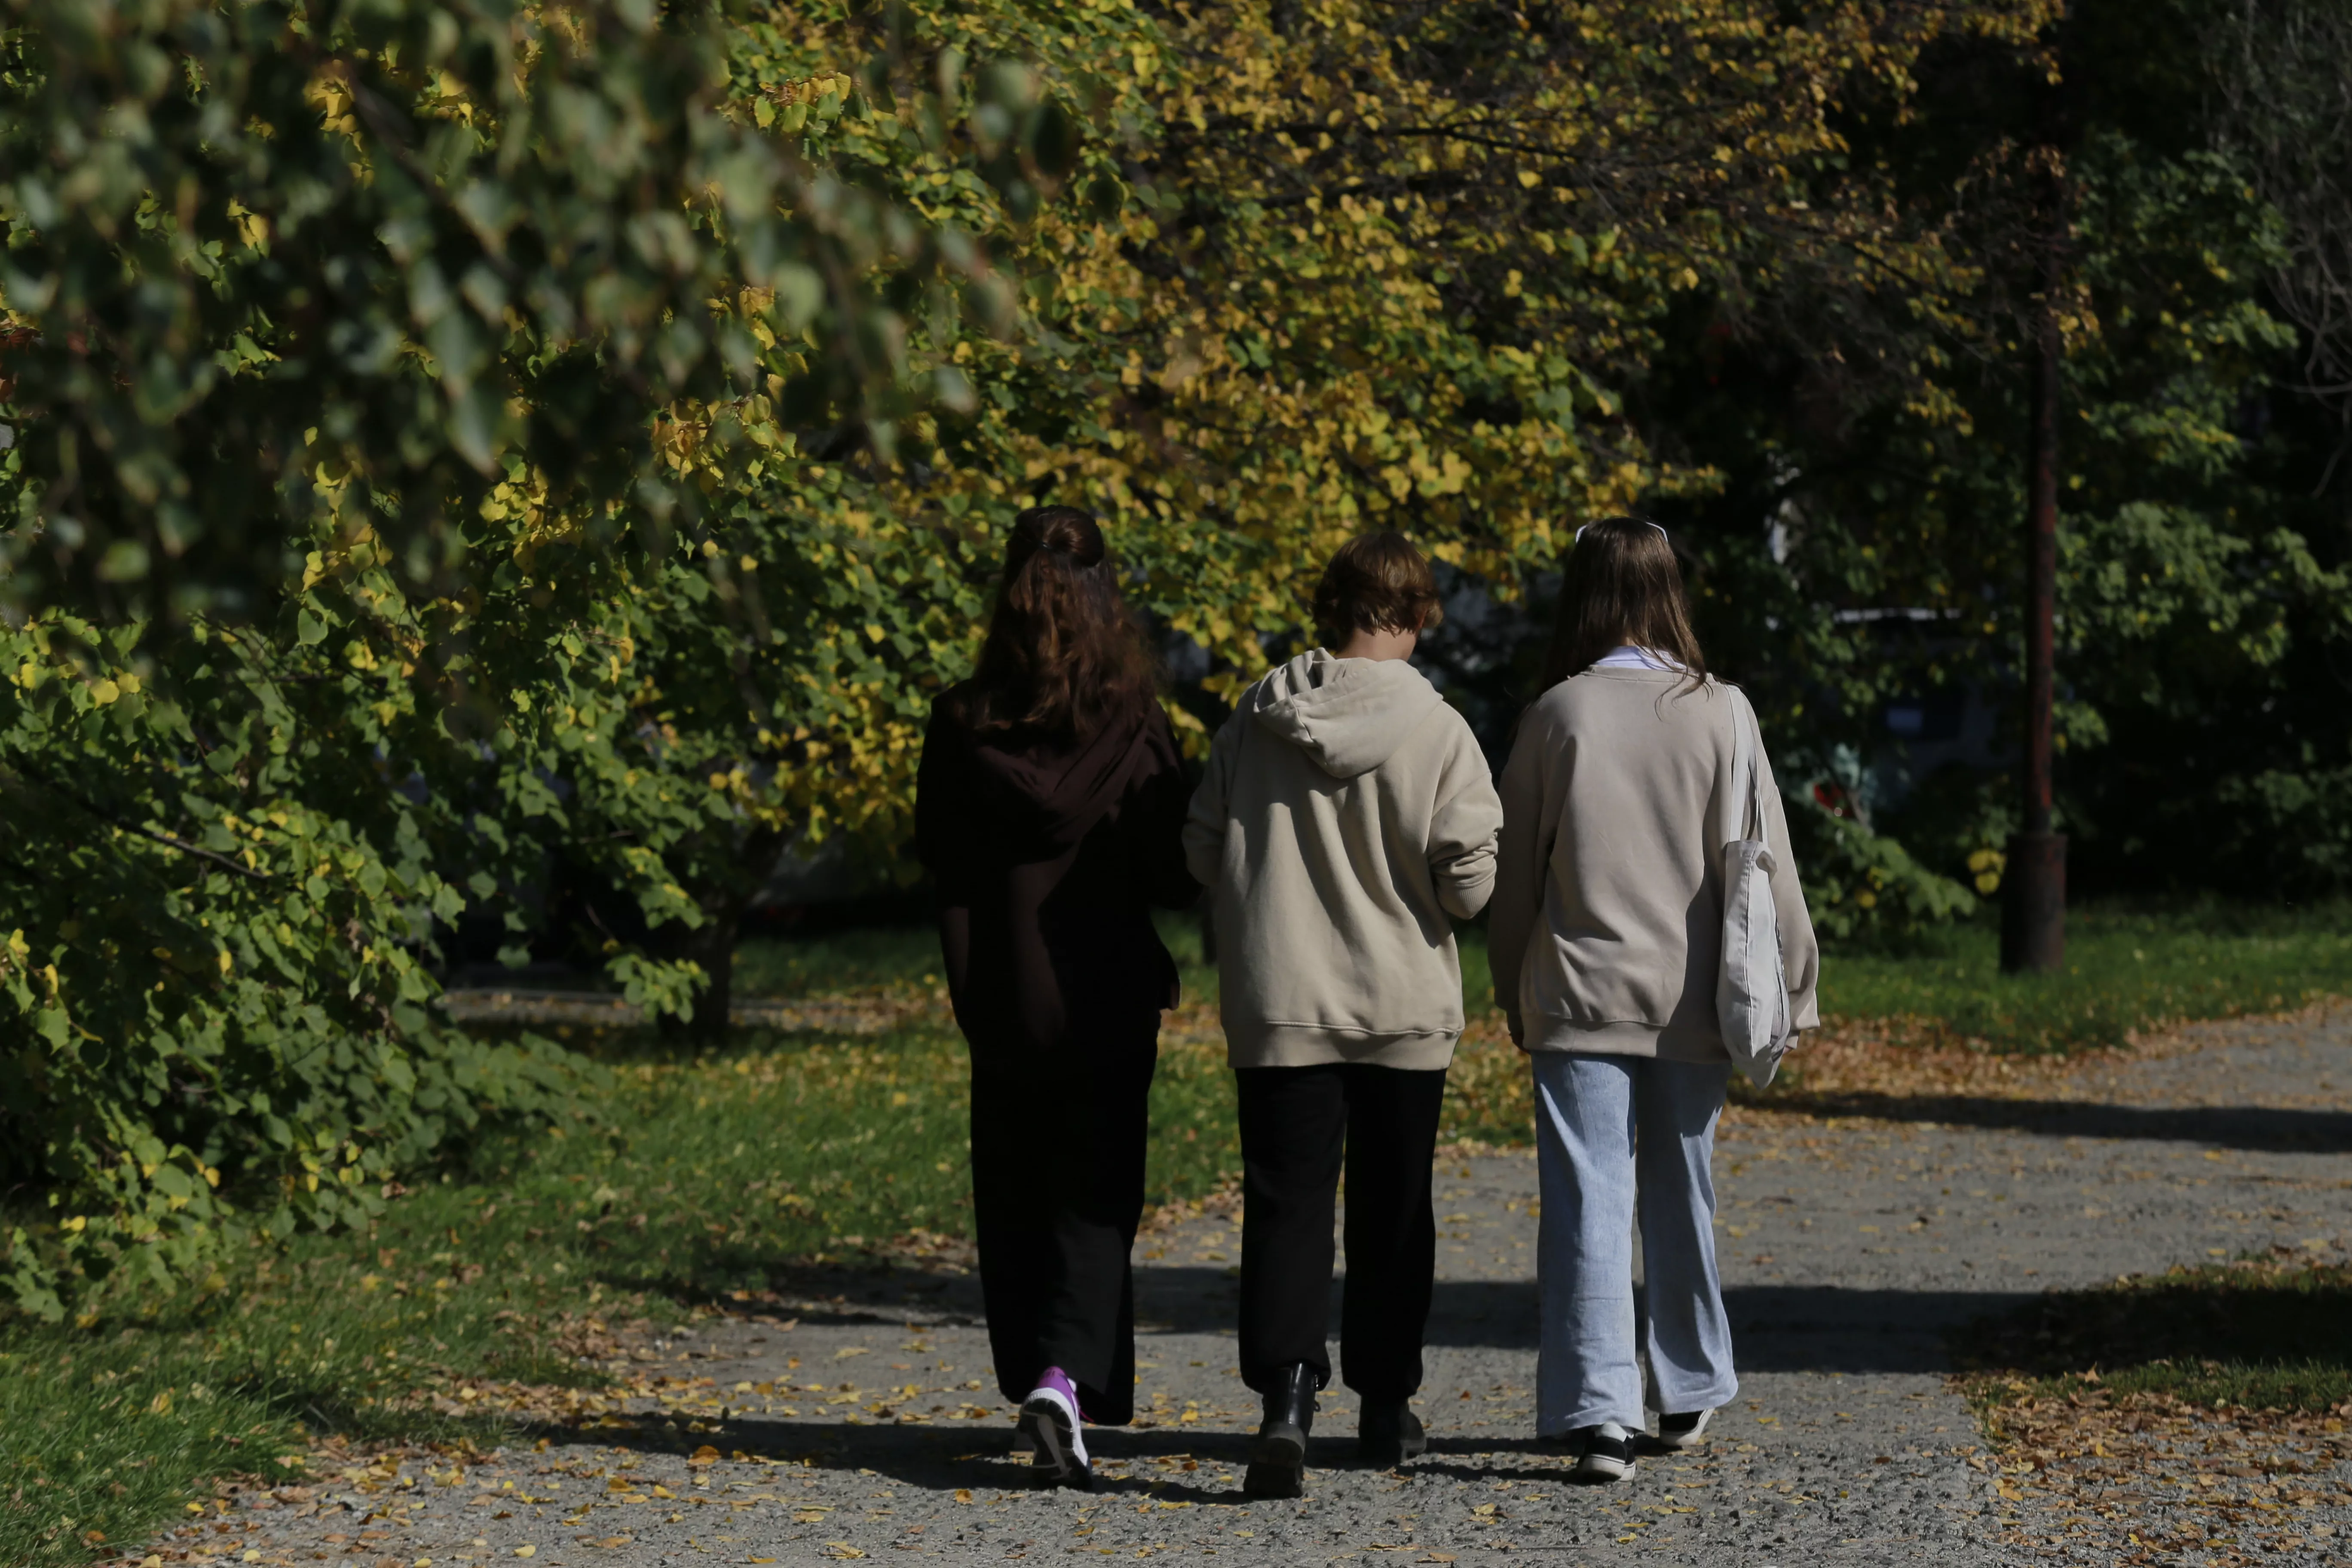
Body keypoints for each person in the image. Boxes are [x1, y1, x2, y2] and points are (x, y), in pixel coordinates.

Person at [1486, 517, 1820, 1484]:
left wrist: (1513, 988)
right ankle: (1687, 1384)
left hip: (1579, 992)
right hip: (1693, 998)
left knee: (1588, 1197)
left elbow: (1515, 881)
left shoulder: (1558, 714)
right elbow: (1768, 866)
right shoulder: (1723, 710)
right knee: (1684, 1192)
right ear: (1671, 589)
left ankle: (1600, 1417)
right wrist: (1796, 986)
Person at [1183, 531, 1503, 1498]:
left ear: (1332, 611)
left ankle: (1286, 1397)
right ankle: (1382, 1404)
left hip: (1283, 1002)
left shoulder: (1257, 713)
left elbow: (1200, 849)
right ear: (1413, 616)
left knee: (1286, 1204)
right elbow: (1470, 890)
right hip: (1402, 1008)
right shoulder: (1440, 727)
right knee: (1393, 1208)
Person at [914, 505, 1195, 1490]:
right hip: (1105, 986)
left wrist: (967, 991)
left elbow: (945, 871)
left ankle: (1044, 1372)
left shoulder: (960, 723)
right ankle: (1063, 1378)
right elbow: (1172, 866)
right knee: (1096, 1192)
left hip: (1002, 988)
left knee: (1018, 1194)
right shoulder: (1133, 722)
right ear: (1102, 595)